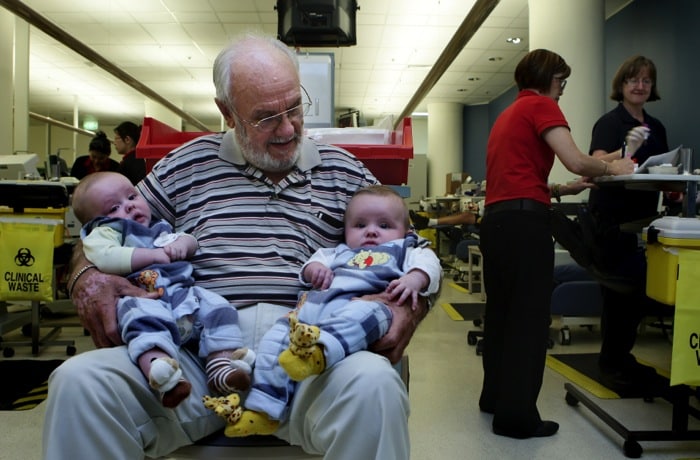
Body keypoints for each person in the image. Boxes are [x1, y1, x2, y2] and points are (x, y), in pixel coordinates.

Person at [43, 33, 426, 460]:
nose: (287, 128)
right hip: (196, 352)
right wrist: (86, 275)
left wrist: (411, 304)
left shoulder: (346, 172)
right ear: (227, 112)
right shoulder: (185, 165)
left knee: (374, 385)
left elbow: (413, 249)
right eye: (265, 117)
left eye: (294, 107)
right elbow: (102, 233)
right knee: (78, 383)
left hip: (308, 353)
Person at [477, 49, 634, 440]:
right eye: (561, 80)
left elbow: (526, 175)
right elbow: (577, 160)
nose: (562, 88)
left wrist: (568, 188)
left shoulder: (508, 115)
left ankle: (494, 398)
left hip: (496, 223)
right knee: (529, 321)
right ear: (548, 78)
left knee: (501, 315)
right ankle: (516, 418)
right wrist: (611, 167)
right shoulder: (541, 105)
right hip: (524, 227)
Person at [222, 184, 442, 436]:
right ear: (346, 230)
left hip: (368, 304)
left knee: (359, 318)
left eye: (384, 226)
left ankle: (319, 354)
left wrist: (414, 279)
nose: (371, 231)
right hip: (312, 312)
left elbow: (430, 264)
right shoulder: (335, 253)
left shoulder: (406, 249)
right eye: (360, 225)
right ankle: (263, 411)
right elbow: (310, 265)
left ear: (405, 231)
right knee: (276, 339)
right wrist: (313, 270)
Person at [70, 171, 255, 408]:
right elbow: (106, 257)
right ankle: (162, 373)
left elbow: (188, 239)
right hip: (143, 295)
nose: (128, 207)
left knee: (218, 307)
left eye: (131, 197)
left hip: (184, 295)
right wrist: (153, 255)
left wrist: (183, 244)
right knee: (142, 322)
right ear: (95, 221)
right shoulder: (107, 231)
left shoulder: (157, 226)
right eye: (113, 207)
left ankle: (220, 365)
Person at [588, 55, 670, 390]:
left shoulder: (657, 127)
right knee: (619, 295)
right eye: (633, 80)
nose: (640, 86)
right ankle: (612, 363)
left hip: (645, 222)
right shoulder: (610, 123)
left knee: (635, 297)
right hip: (613, 223)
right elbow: (594, 165)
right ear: (621, 86)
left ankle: (621, 358)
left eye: (646, 81)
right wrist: (625, 149)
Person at [114, 121, 147, 185]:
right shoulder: (140, 159)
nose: (115, 143)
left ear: (127, 139)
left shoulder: (129, 163)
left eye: (116, 138)